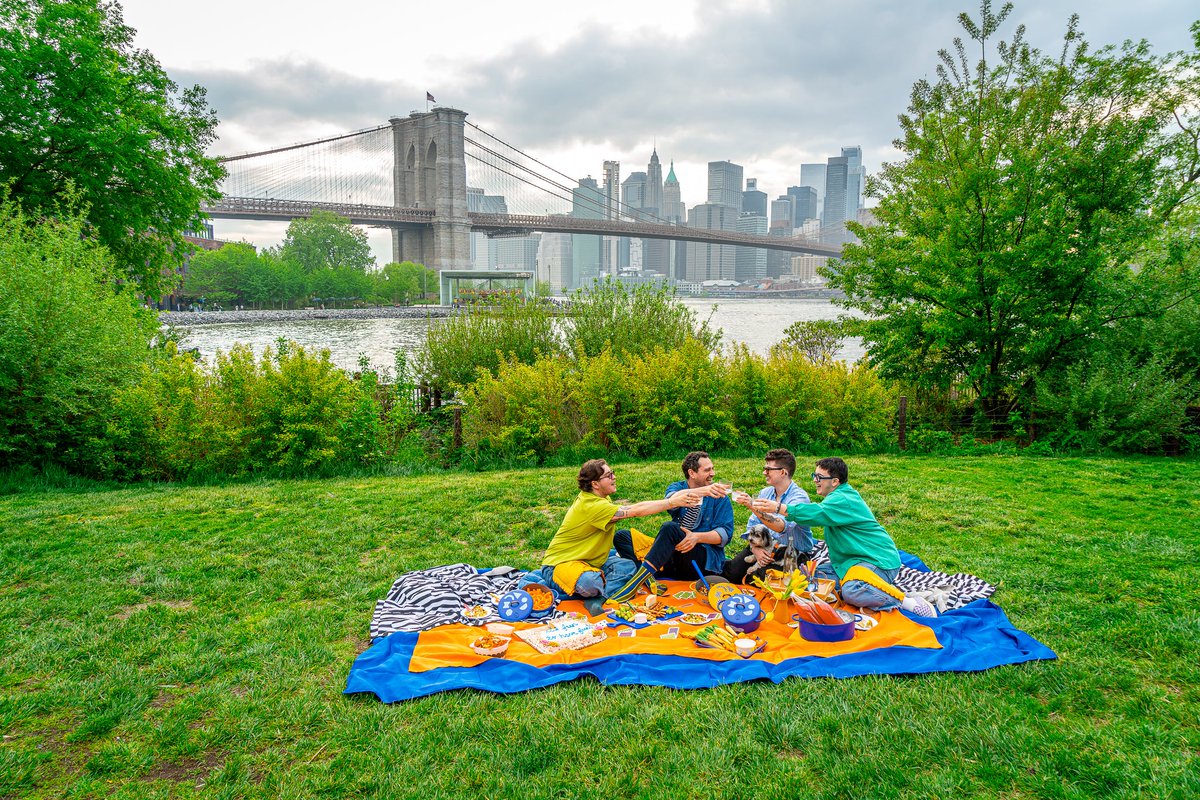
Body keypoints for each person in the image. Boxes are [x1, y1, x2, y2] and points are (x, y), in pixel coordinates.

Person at [750, 457, 936, 617]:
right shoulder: (836, 497)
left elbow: (817, 513)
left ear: (835, 481)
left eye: (819, 477)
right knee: (809, 578)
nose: (815, 480)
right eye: (814, 476)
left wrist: (777, 508)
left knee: (852, 591)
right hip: (849, 563)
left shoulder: (844, 499)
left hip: (877, 561)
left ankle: (904, 601)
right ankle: (870, 594)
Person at [539, 459, 704, 611]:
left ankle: (599, 597)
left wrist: (672, 502)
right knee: (590, 583)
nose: (614, 477)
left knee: (627, 566)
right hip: (560, 565)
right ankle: (587, 592)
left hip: (591, 563)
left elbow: (637, 505)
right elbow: (636, 511)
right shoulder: (591, 506)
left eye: (613, 473)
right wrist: (672, 502)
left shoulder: (601, 498)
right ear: (595, 484)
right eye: (608, 475)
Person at [611, 451, 734, 598]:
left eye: (712, 468)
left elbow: (725, 534)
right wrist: (703, 492)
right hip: (673, 557)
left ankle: (632, 586)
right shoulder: (677, 487)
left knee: (670, 528)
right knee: (621, 536)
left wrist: (696, 537)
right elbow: (672, 501)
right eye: (707, 470)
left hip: (699, 561)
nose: (713, 473)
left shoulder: (719, 496)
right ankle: (649, 580)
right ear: (692, 473)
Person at [725, 448, 815, 585]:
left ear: (783, 472)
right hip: (764, 546)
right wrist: (755, 549)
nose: (764, 472)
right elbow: (752, 526)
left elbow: (780, 527)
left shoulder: (799, 498)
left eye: (768, 469)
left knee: (756, 579)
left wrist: (752, 506)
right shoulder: (765, 493)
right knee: (732, 574)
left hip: (790, 554)